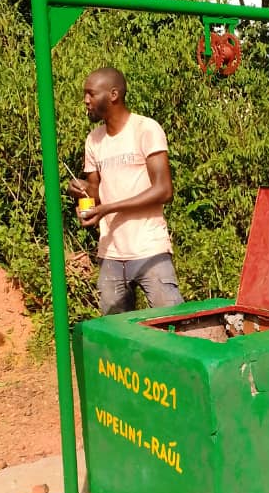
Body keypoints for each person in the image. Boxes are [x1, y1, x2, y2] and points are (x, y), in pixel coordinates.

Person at [68, 67, 184, 315]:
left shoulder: (145, 129)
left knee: (173, 328)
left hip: (149, 249)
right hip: (111, 253)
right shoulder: (93, 140)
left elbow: (164, 190)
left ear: (113, 94)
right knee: (116, 339)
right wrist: (80, 191)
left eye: (91, 93)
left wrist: (109, 207)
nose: (86, 101)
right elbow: (95, 194)